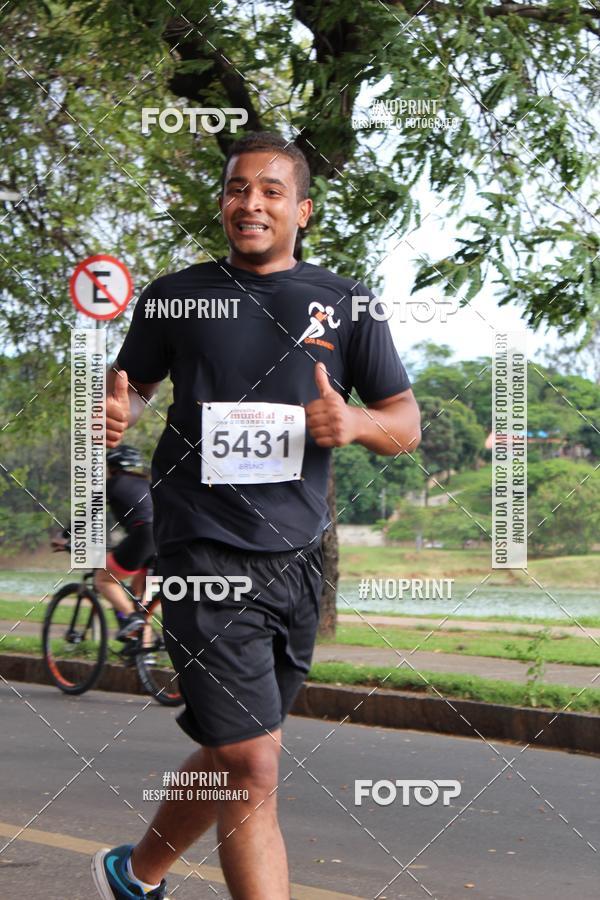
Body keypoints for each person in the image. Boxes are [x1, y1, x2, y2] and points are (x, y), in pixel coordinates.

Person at [92, 131, 421, 900]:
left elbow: (404, 422)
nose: (252, 202)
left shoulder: (348, 303)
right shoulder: (176, 295)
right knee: (254, 765)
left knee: (236, 748)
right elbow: (128, 391)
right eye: (239, 189)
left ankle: (134, 874)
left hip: (296, 556)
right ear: (223, 205)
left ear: (302, 209)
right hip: (201, 550)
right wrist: (112, 412)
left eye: (271, 191)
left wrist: (358, 426)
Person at [100, 445, 155, 640]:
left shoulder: (114, 483)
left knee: (103, 578)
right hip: (167, 538)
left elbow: (87, 514)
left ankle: (131, 618)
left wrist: (64, 536)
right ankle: (144, 653)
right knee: (139, 601)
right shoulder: (149, 483)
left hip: (144, 536)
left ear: (113, 466)